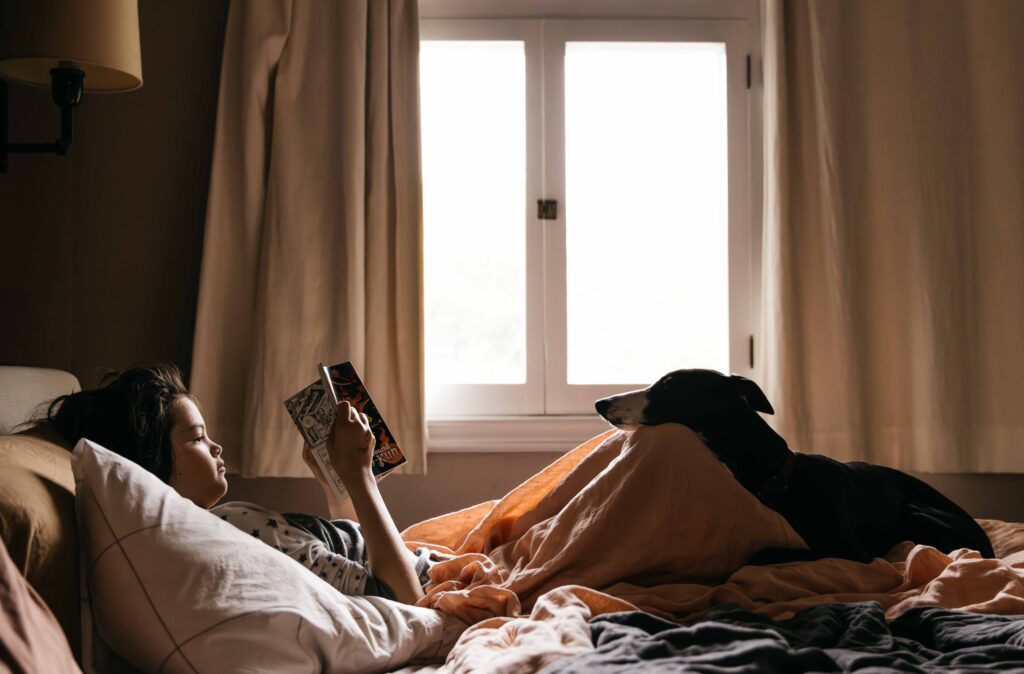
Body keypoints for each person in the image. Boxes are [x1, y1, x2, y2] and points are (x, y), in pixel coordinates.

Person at [40, 363, 427, 605]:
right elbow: (403, 598)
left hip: (416, 559)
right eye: (195, 438)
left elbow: (350, 556)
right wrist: (359, 479)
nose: (215, 446)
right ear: (151, 461)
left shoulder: (228, 525)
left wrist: (335, 486)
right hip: (426, 574)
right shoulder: (237, 530)